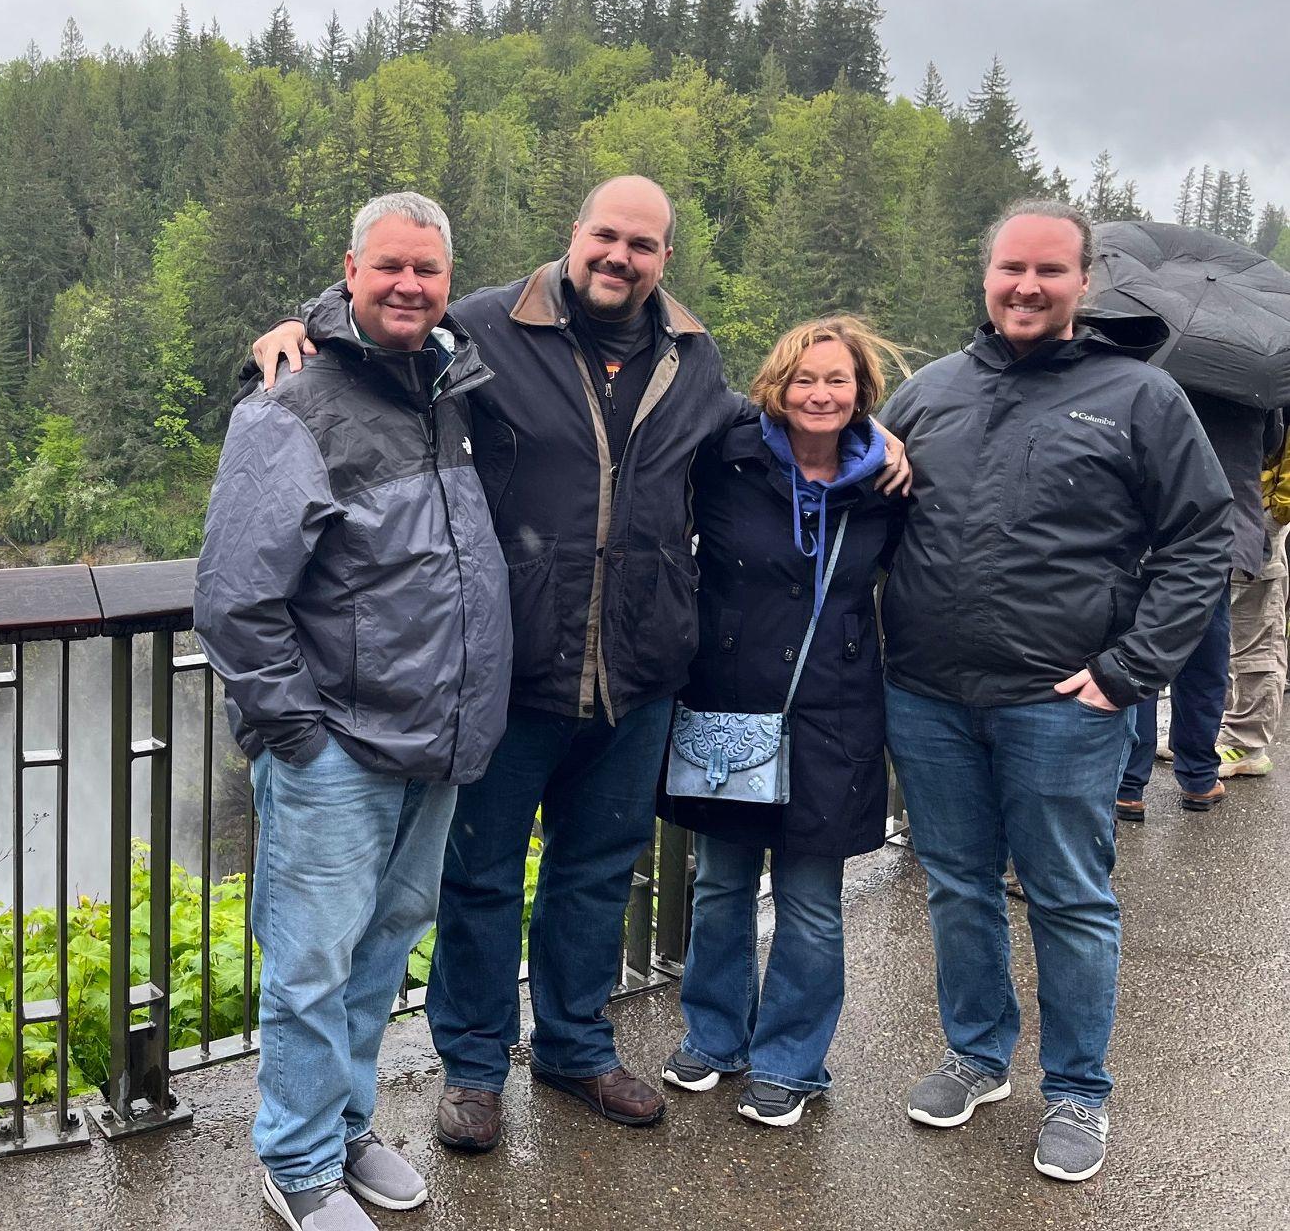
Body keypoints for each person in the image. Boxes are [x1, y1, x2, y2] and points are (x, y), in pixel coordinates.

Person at [249, 174, 914, 1154]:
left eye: (642, 245)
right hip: (508, 670)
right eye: (607, 236)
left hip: (639, 675)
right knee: (479, 882)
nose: (620, 257)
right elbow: (384, 337)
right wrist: (295, 327)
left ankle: (570, 1046)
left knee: (595, 873)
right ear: (575, 236)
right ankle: (474, 1069)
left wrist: (866, 434)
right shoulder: (485, 326)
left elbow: (775, 425)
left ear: (663, 259)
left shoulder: (690, 357)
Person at [877, 199, 1232, 1184]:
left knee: (1068, 899)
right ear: (984, 277)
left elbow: (1201, 538)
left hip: (1059, 703)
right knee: (954, 885)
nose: (1025, 286)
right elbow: (872, 510)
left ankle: (1076, 1090)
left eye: (1047, 271)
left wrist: (1127, 671)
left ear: (1083, 284)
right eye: (1008, 269)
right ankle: (976, 1054)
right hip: (927, 693)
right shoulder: (930, 391)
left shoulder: (1139, 397)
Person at [195, 192, 513, 1231]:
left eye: (427, 270)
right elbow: (236, 597)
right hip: (335, 744)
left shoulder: (452, 391)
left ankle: (342, 1131)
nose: (409, 286)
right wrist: (298, 733)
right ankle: (292, 1160)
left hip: (435, 737)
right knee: (310, 962)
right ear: (348, 271)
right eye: (389, 268)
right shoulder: (289, 406)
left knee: (381, 950)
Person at [657, 316, 905, 1128]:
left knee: (809, 896)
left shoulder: (887, 481)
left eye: (836, 380)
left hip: (834, 710)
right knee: (720, 883)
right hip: (729, 699)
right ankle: (713, 1036)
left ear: (861, 392)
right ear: (776, 386)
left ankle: (791, 1060)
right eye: (804, 379)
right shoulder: (725, 458)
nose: (819, 394)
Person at [1115, 395, 1282, 817]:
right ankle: (1199, 777)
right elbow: (1270, 443)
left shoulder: (1151, 382)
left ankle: (1128, 784)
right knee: (1204, 659)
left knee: (1140, 654)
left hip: (1151, 530)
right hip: (1221, 533)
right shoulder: (1252, 380)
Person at [1218, 423, 1290, 777]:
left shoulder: (1272, 376)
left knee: (1255, 635)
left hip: (1257, 513)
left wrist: (1276, 516)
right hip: (1233, 507)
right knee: (1221, 632)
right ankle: (1211, 729)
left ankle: (1246, 742)